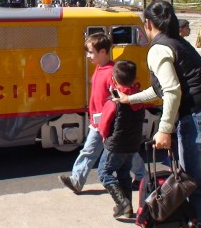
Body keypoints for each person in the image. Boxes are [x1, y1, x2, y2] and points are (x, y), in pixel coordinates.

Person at [116, 0, 201, 228]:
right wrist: (129, 99)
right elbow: (162, 89)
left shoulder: (158, 49)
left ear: (148, 24)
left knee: (193, 184)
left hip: (197, 118)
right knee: (192, 181)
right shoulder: (179, 43)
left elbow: (173, 91)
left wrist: (164, 129)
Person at [58, 33, 145, 193]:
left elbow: (119, 97)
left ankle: (77, 180)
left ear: (103, 52)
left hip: (107, 122)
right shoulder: (100, 68)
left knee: (94, 151)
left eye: (91, 52)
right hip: (98, 120)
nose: (88, 55)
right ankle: (141, 176)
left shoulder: (112, 72)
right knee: (123, 151)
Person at [97, 60, 145, 219]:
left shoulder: (114, 101)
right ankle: (128, 208)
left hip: (115, 144)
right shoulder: (138, 99)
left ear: (114, 80)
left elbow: (104, 123)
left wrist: (104, 136)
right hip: (132, 144)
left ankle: (122, 202)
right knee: (124, 173)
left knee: (105, 173)